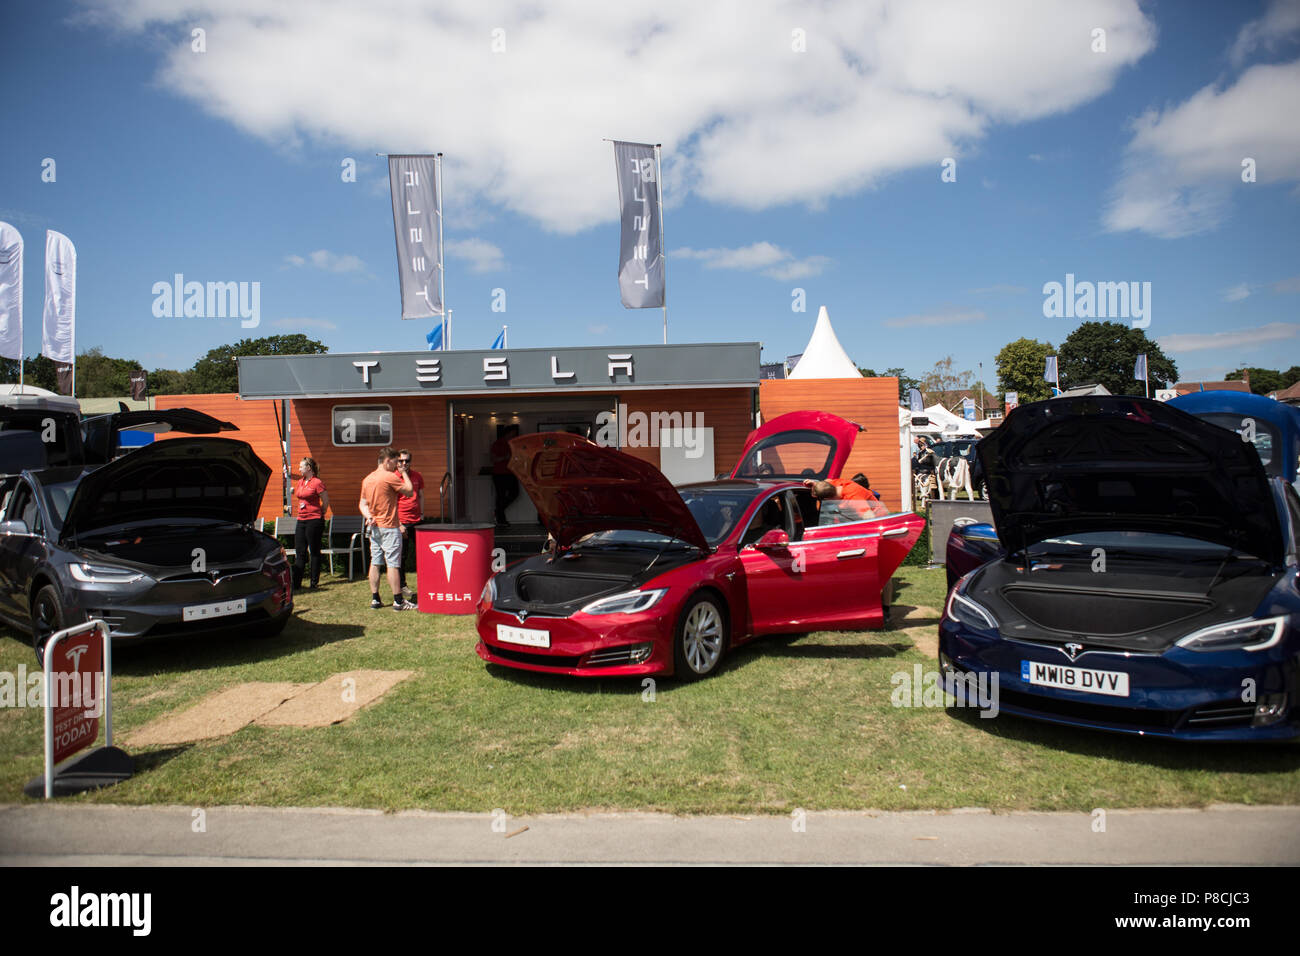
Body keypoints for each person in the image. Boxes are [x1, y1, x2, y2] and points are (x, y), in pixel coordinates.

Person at [359, 446, 415, 610]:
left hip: (374, 527)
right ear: (388, 460)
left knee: (375, 562)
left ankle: (375, 599)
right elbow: (410, 492)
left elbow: (362, 504)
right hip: (390, 527)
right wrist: (404, 472)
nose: (398, 465)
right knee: (392, 564)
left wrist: (369, 516)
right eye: (396, 462)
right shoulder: (389, 477)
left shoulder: (367, 479)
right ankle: (398, 601)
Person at [288, 457, 329, 590]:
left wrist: (320, 513)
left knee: (314, 550)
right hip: (301, 519)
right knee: (300, 551)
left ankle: (314, 582)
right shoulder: (300, 482)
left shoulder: (317, 482)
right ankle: (297, 583)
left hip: (314, 520)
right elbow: (301, 495)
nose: (299, 469)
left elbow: (325, 501)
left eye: (301, 467)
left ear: (309, 468)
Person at [395, 449, 426, 601]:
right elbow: (392, 502)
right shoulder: (393, 477)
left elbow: (420, 495)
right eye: (401, 461)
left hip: (417, 521)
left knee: (423, 553)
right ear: (397, 462)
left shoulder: (417, 475)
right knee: (402, 555)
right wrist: (398, 523)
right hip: (402, 522)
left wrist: (422, 513)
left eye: (407, 461)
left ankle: (426, 583)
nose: (404, 463)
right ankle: (402, 585)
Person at [489, 424, 520, 526]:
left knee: (515, 493)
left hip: (510, 473)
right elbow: (493, 459)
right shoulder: (498, 444)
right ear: (507, 433)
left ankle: (498, 511)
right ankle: (501, 519)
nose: (514, 435)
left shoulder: (513, 443)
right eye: (512, 433)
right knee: (501, 496)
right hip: (499, 474)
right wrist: (505, 457)